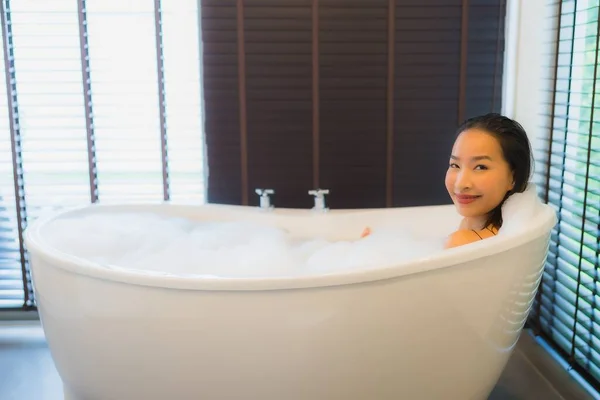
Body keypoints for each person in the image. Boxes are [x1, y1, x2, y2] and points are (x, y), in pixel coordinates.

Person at [444, 113, 532, 248]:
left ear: (513, 177)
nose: (461, 184)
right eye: (455, 165)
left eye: (480, 167)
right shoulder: (475, 228)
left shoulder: (461, 242)